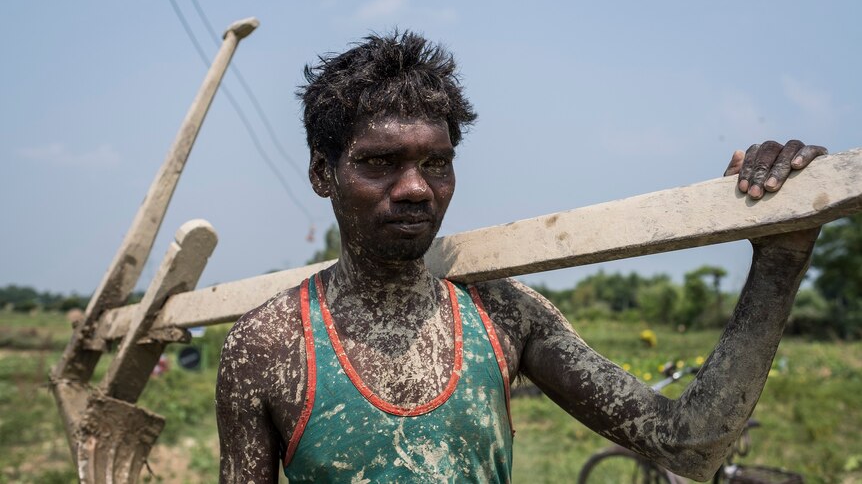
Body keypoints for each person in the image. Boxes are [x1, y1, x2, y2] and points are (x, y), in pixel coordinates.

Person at [215, 31, 827, 483]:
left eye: (436, 161)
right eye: (379, 162)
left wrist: (780, 259)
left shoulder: (503, 317)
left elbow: (689, 445)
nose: (415, 187)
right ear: (324, 174)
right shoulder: (267, 347)